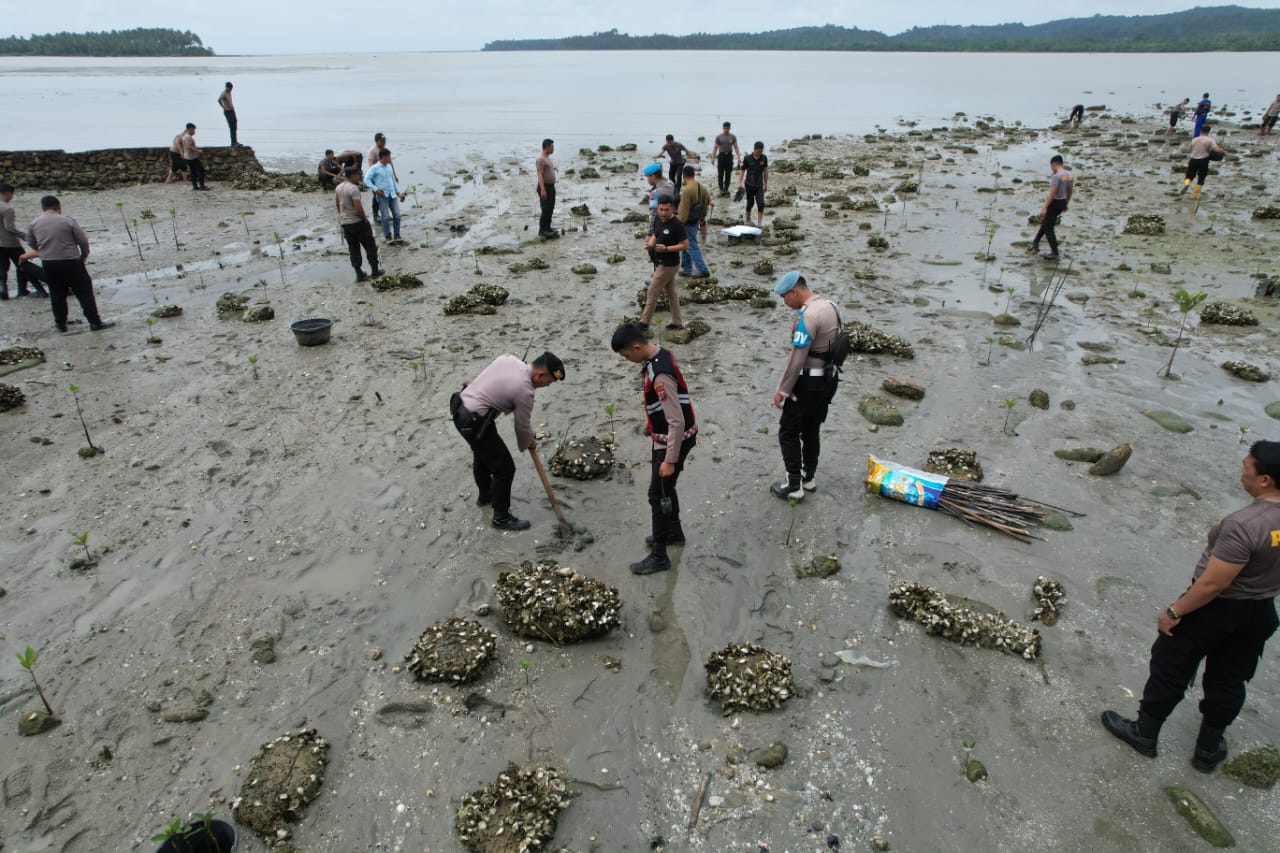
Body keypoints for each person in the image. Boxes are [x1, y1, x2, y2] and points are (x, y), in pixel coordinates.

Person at [1101, 441, 1280, 774]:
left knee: (1171, 665)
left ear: (1265, 479)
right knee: (1230, 678)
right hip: (1260, 612)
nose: (1242, 468)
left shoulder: (1245, 523)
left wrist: (1174, 612)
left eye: (1247, 465)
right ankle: (1208, 749)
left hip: (1216, 609)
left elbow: (1215, 583)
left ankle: (1145, 734)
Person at [611, 322, 698, 574]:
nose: (627, 360)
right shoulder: (660, 354)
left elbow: (677, 421)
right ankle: (673, 533)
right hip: (666, 436)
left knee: (657, 495)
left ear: (637, 347)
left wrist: (670, 459)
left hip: (673, 441)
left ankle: (659, 555)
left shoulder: (660, 375)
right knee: (666, 489)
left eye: (627, 355)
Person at [450, 352, 565, 531]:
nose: (547, 386)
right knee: (504, 468)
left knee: (482, 455)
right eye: (548, 382)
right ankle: (501, 518)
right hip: (474, 421)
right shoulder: (525, 390)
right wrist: (530, 441)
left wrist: (527, 436)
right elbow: (521, 426)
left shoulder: (510, 360)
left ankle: (486, 497)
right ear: (540, 375)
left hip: (461, 410)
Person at [770, 271, 839, 501]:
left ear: (795, 291)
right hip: (829, 379)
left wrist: (783, 390)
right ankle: (809, 477)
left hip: (808, 382)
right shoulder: (831, 307)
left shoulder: (807, 316)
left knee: (788, 432)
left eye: (784, 297)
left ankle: (794, 485)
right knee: (811, 429)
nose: (784, 302)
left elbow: (797, 359)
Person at [25, 196, 113, 332]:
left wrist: (43, 251)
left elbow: (30, 241)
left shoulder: (34, 223)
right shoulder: (68, 221)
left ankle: (60, 325)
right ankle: (94, 322)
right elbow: (82, 240)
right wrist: (84, 254)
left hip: (49, 263)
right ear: (59, 207)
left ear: (43, 208)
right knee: (84, 292)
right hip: (71, 261)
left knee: (56, 293)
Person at [639, 196, 687, 331]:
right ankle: (677, 323)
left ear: (672, 208)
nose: (663, 213)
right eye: (661, 209)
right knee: (671, 293)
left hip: (669, 265)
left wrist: (666, 248)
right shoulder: (657, 219)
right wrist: (650, 244)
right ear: (658, 208)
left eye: (666, 210)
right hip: (658, 261)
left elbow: (685, 245)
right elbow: (656, 233)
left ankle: (644, 323)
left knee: (652, 291)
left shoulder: (677, 225)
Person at [335, 166, 383, 282]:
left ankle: (359, 273)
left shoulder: (339, 187)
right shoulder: (353, 189)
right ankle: (375, 271)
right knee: (370, 246)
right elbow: (358, 208)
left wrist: (342, 217)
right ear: (352, 176)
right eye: (358, 174)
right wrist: (364, 219)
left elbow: (338, 204)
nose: (360, 177)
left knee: (353, 249)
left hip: (346, 223)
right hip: (358, 222)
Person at [0, 183, 46, 299]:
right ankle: (45, 284)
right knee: (24, 264)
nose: (12, 197)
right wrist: (25, 236)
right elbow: (9, 227)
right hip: (10, 242)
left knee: (2, 267)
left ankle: (4, 289)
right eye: (12, 194)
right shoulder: (7, 208)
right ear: (7, 193)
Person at [1031, 155, 1073, 260]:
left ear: (1054, 164)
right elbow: (1070, 191)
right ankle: (1035, 241)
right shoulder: (1069, 175)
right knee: (1046, 222)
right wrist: (1066, 203)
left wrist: (1045, 207)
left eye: (1051, 166)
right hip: (1062, 201)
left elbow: (1053, 193)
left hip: (1055, 202)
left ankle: (1055, 252)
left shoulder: (1056, 176)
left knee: (1048, 228)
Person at [677, 165, 712, 279]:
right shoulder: (700, 187)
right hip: (695, 219)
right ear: (693, 174)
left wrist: (679, 222)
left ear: (684, 176)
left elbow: (684, 210)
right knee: (686, 244)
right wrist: (702, 218)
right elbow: (705, 203)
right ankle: (687, 269)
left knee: (691, 245)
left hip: (687, 221)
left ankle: (703, 270)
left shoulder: (687, 190)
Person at [365, 148, 405, 241]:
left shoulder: (389, 167)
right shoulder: (375, 168)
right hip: (382, 195)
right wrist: (375, 189)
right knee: (385, 216)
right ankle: (388, 236)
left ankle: (397, 235)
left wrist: (398, 193)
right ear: (383, 157)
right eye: (389, 157)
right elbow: (366, 179)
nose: (390, 159)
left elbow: (392, 181)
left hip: (392, 194)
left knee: (397, 215)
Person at [1180, 125, 1225, 200]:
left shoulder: (1195, 139)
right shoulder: (1210, 140)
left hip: (1193, 160)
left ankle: (1187, 184)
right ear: (1208, 132)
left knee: (1189, 175)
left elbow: (1191, 149)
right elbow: (1217, 150)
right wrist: (1223, 151)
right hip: (1203, 161)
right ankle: (1194, 195)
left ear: (1201, 131)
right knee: (1201, 178)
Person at [738, 141, 769, 227]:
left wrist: (766, 184)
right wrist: (739, 182)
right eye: (759, 151)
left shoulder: (764, 158)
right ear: (755, 149)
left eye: (761, 151)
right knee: (750, 203)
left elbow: (765, 171)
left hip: (759, 185)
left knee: (761, 203)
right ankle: (747, 219)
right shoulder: (747, 158)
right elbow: (742, 170)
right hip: (749, 184)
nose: (760, 153)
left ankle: (759, 223)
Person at [643, 163, 675, 236]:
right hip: (672, 220)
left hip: (660, 225)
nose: (647, 180)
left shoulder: (655, 193)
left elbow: (653, 214)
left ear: (653, 176)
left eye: (647, 177)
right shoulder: (670, 183)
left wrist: (650, 233)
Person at [712, 121, 740, 197]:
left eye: (727, 128)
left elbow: (736, 147)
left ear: (729, 128)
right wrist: (713, 158)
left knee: (728, 174)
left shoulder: (732, 137)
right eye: (725, 128)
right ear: (723, 128)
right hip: (721, 156)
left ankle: (726, 189)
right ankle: (721, 189)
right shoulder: (719, 137)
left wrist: (739, 157)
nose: (726, 130)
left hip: (729, 156)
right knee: (720, 174)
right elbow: (715, 148)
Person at [536, 138, 557, 237]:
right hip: (545, 187)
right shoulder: (540, 159)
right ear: (547, 146)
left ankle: (548, 227)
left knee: (550, 208)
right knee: (545, 209)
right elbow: (539, 174)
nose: (553, 149)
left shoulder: (547, 158)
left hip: (551, 187)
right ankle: (542, 230)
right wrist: (543, 189)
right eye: (552, 146)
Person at [180, 123, 207, 191]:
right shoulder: (188, 137)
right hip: (192, 157)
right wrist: (198, 151)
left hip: (187, 157)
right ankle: (202, 186)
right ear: (190, 129)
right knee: (201, 171)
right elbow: (188, 146)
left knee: (193, 172)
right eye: (193, 130)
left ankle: (195, 186)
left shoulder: (184, 136)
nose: (194, 131)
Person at [217, 82, 240, 147]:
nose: (231, 90)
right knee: (232, 127)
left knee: (235, 126)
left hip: (232, 110)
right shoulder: (223, 93)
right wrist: (224, 107)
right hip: (227, 111)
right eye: (230, 88)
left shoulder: (229, 92)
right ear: (227, 87)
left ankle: (235, 141)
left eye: (231, 88)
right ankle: (233, 143)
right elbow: (218, 100)